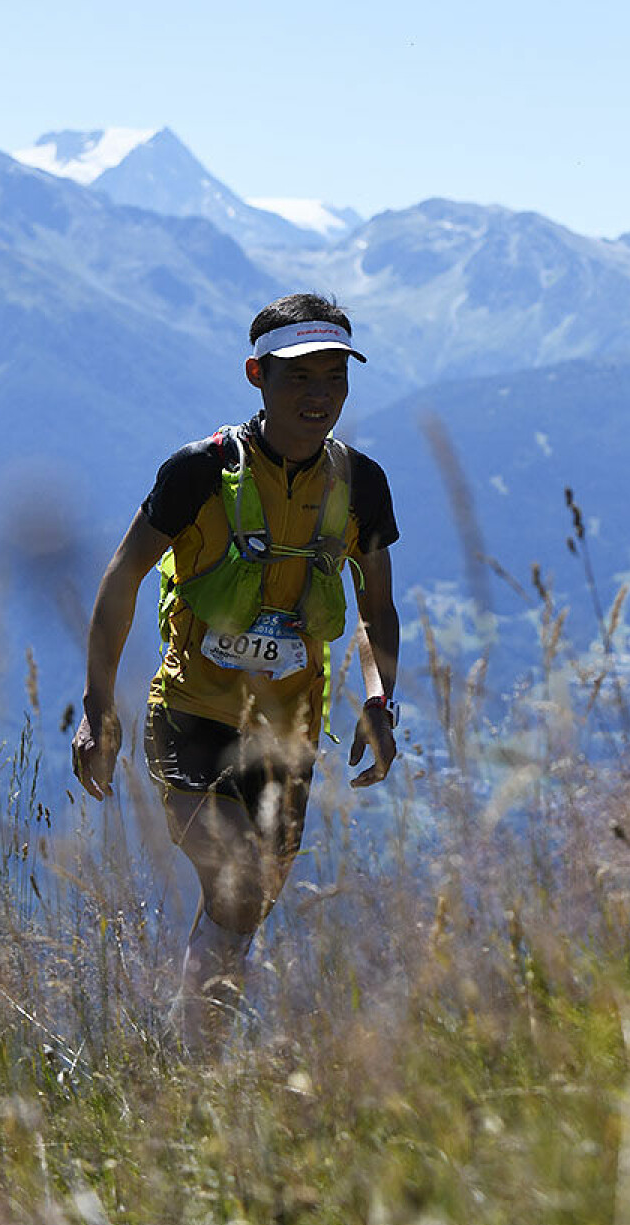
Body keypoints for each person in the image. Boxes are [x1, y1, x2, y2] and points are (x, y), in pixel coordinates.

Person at [71, 293, 400, 1052]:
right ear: (257, 376)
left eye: (335, 377)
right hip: (191, 718)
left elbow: (377, 607)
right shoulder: (198, 472)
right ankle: (196, 1061)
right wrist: (97, 708)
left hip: (290, 735)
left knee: (246, 906)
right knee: (240, 882)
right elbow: (122, 579)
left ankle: (186, 1052)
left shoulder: (362, 484)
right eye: (299, 377)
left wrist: (381, 699)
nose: (320, 395)